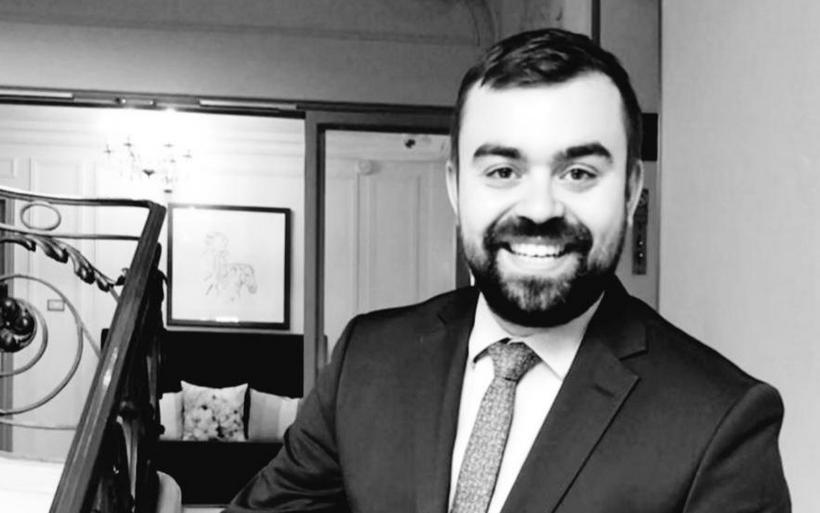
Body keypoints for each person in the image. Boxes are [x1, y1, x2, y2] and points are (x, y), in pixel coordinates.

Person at [224, 28, 790, 513]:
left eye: (578, 173)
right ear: (455, 186)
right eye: (502, 171)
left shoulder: (721, 422)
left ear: (631, 190)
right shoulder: (366, 360)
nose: (539, 209)